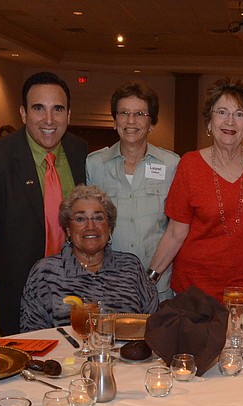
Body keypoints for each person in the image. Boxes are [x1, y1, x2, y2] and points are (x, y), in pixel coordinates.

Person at [0, 72, 88, 335]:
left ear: (69, 115)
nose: (49, 120)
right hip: (17, 293)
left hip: (77, 288)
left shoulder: (82, 153)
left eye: (58, 109)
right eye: (38, 108)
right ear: (23, 113)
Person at [148, 77, 243, 314]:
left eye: (239, 114)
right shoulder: (190, 164)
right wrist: (149, 278)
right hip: (194, 291)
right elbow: (175, 232)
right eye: (222, 112)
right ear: (210, 121)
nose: (230, 121)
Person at [86, 82, 179, 301]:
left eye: (140, 113)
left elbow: (176, 229)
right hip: (108, 285)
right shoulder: (94, 164)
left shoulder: (172, 165)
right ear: (114, 120)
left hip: (158, 285)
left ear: (151, 122)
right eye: (124, 113)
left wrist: (152, 277)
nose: (131, 121)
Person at [20, 186, 157, 331]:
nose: (90, 226)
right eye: (80, 219)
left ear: (109, 227)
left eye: (98, 218)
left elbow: (155, 326)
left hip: (125, 353)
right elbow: (33, 337)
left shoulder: (131, 267)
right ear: (68, 229)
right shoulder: (45, 273)